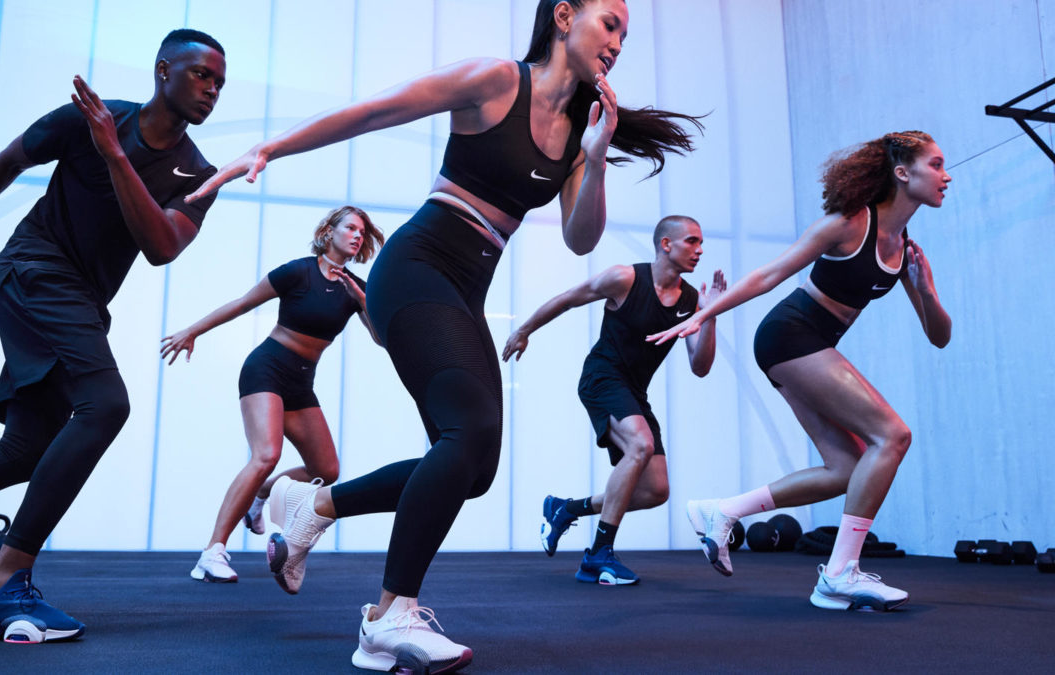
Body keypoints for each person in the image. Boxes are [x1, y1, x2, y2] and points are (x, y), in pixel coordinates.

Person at [187, 0, 700, 670]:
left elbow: (580, 238)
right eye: (610, 23)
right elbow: (376, 110)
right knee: (470, 429)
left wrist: (597, 157)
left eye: (625, 34)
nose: (618, 43)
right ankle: (387, 618)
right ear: (564, 17)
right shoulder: (497, 81)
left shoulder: (581, 129)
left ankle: (312, 504)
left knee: (474, 467)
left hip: (465, 291)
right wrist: (271, 148)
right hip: (416, 269)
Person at [0, 29, 226, 642]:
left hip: (80, 299)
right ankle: (1, 585)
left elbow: (161, 246)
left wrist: (115, 156)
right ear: (164, 70)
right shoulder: (89, 119)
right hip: (33, 268)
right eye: (201, 74)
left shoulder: (199, 172)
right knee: (106, 404)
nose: (211, 89)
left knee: (23, 453)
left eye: (219, 82)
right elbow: (11, 160)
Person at [651, 130, 952, 611]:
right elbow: (769, 274)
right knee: (892, 435)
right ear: (902, 172)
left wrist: (928, 291)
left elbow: (939, 336)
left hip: (810, 343)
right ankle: (840, 572)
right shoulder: (850, 223)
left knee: (846, 469)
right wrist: (703, 315)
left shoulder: (905, 249)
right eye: (936, 165)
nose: (946, 176)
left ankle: (721, 512)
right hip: (790, 333)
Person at [160, 206, 384, 583]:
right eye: (350, 228)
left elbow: (381, 339)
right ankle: (212, 553)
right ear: (328, 232)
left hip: (301, 383)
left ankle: (262, 492)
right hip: (267, 368)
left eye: (362, 232)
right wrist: (192, 331)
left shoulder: (355, 288)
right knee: (266, 454)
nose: (357, 236)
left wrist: (363, 299)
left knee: (326, 470)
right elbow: (242, 304)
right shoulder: (297, 271)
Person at [501, 215, 724, 585]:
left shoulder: (691, 301)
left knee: (656, 490)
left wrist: (711, 314)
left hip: (635, 391)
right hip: (602, 377)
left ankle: (565, 509)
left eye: (701, 243)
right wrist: (524, 330)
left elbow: (700, 367)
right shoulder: (625, 278)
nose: (699, 250)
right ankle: (599, 553)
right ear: (666, 244)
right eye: (692, 241)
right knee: (641, 445)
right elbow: (569, 298)